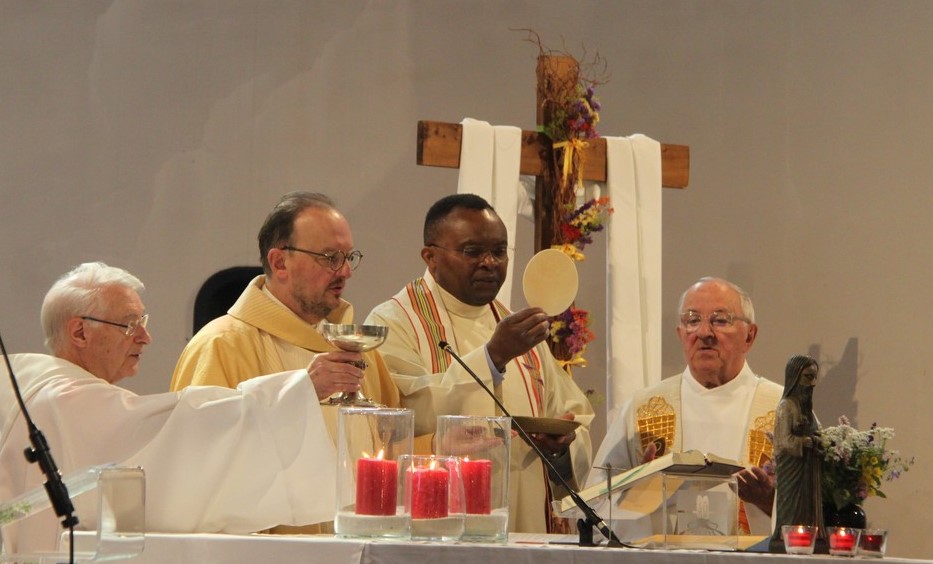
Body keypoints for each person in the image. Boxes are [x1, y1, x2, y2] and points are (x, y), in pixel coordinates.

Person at [0, 262, 336, 555]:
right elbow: (180, 428)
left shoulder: (27, 386)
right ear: (79, 332)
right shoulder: (64, 400)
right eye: (129, 324)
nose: (145, 337)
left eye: (142, 322)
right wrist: (297, 390)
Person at [365, 193, 594, 534]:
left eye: (499, 251)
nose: (489, 262)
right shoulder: (394, 323)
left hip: (523, 525)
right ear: (430, 257)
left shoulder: (516, 327)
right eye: (472, 251)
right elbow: (398, 420)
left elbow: (576, 418)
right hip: (438, 532)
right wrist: (493, 357)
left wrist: (560, 447)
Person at [588, 277, 782, 536]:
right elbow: (596, 508)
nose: (704, 332)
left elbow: (820, 509)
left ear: (750, 335)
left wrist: (771, 501)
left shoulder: (783, 410)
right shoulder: (643, 409)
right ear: (680, 333)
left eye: (720, 320)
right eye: (692, 320)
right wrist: (638, 493)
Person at [770, 355, 823, 552]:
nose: (813, 383)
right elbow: (783, 441)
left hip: (808, 469)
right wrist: (805, 442)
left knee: (807, 508)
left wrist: (819, 440)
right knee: (791, 507)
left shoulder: (807, 409)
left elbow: (818, 431)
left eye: (815, 377)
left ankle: (808, 537)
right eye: (808, 377)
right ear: (795, 378)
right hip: (792, 470)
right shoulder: (787, 406)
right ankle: (786, 537)